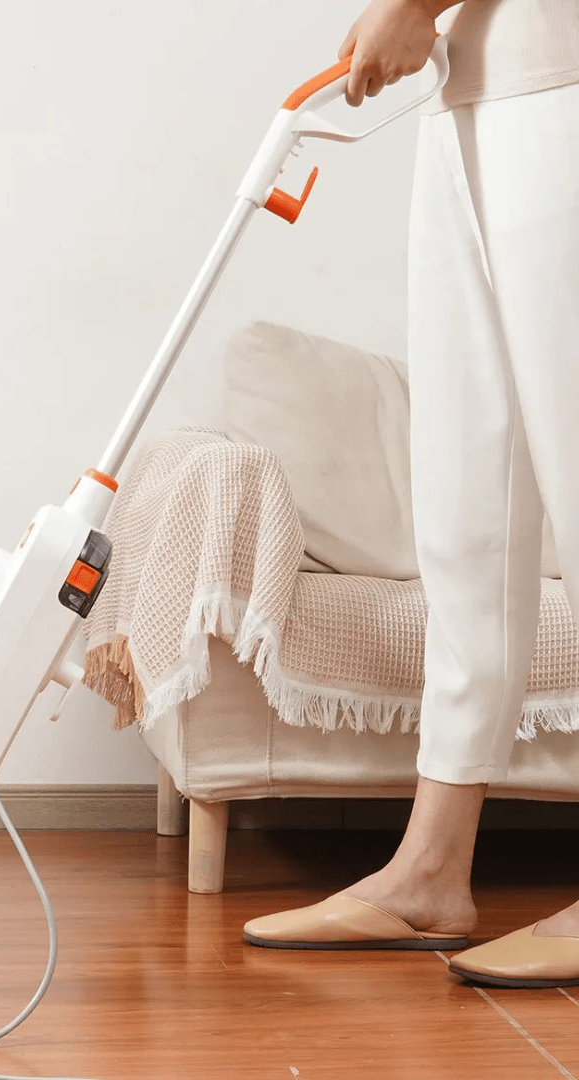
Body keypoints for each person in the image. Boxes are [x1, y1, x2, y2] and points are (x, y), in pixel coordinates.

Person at [243, 0, 579, 988]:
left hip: (562, 87)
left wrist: (412, 4)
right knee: (466, 515)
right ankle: (430, 869)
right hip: (468, 96)